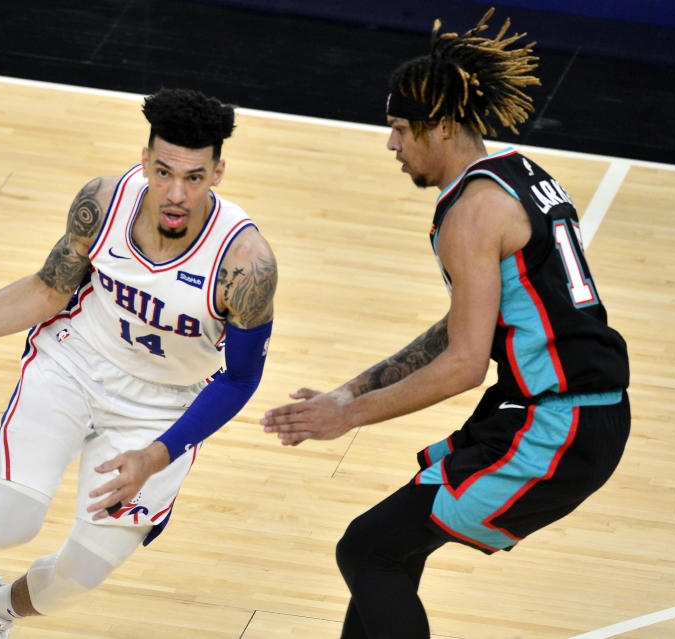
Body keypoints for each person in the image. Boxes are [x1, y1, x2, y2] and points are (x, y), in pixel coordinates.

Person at [260, 9, 630, 639]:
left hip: (557, 424)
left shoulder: (471, 212)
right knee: (392, 548)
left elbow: (463, 364)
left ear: (442, 127)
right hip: (560, 411)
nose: (392, 144)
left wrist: (347, 418)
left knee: (366, 550)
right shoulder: (518, 173)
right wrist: (349, 390)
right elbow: (467, 324)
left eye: (401, 129)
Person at [0, 88, 277, 638]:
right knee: (8, 523)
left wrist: (156, 455)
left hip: (160, 409)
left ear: (218, 172)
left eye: (194, 177)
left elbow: (241, 378)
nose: (175, 193)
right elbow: (48, 291)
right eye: (163, 171)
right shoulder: (103, 203)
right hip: (72, 365)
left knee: (81, 575)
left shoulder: (245, 264)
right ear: (145, 158)